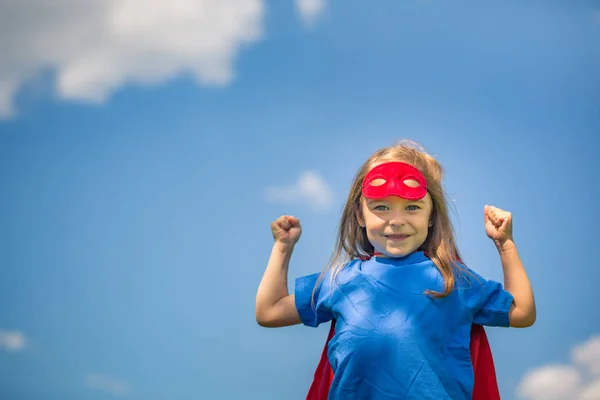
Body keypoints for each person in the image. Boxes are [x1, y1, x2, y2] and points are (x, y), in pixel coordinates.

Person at [255, 140, 536, 399]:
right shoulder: (341, 281)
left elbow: (522, 312)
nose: (397, 220)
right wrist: (282, 247)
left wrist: (504, 244)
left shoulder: (454, 281)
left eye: (412, 207)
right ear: (359, 215)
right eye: (382, 207)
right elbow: (269, 312)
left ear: (431, 217)